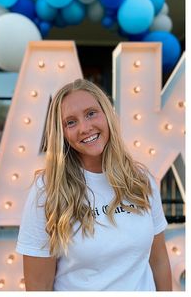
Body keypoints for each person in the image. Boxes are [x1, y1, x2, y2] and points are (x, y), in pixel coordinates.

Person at [17, 79, 172, 291]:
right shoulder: (47, 190)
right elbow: (38, 285)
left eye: (91, 113)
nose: (85, 128)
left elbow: (159, 261)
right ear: (61, 133)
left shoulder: (140, 179)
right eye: (70, 122)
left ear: (107, 114)